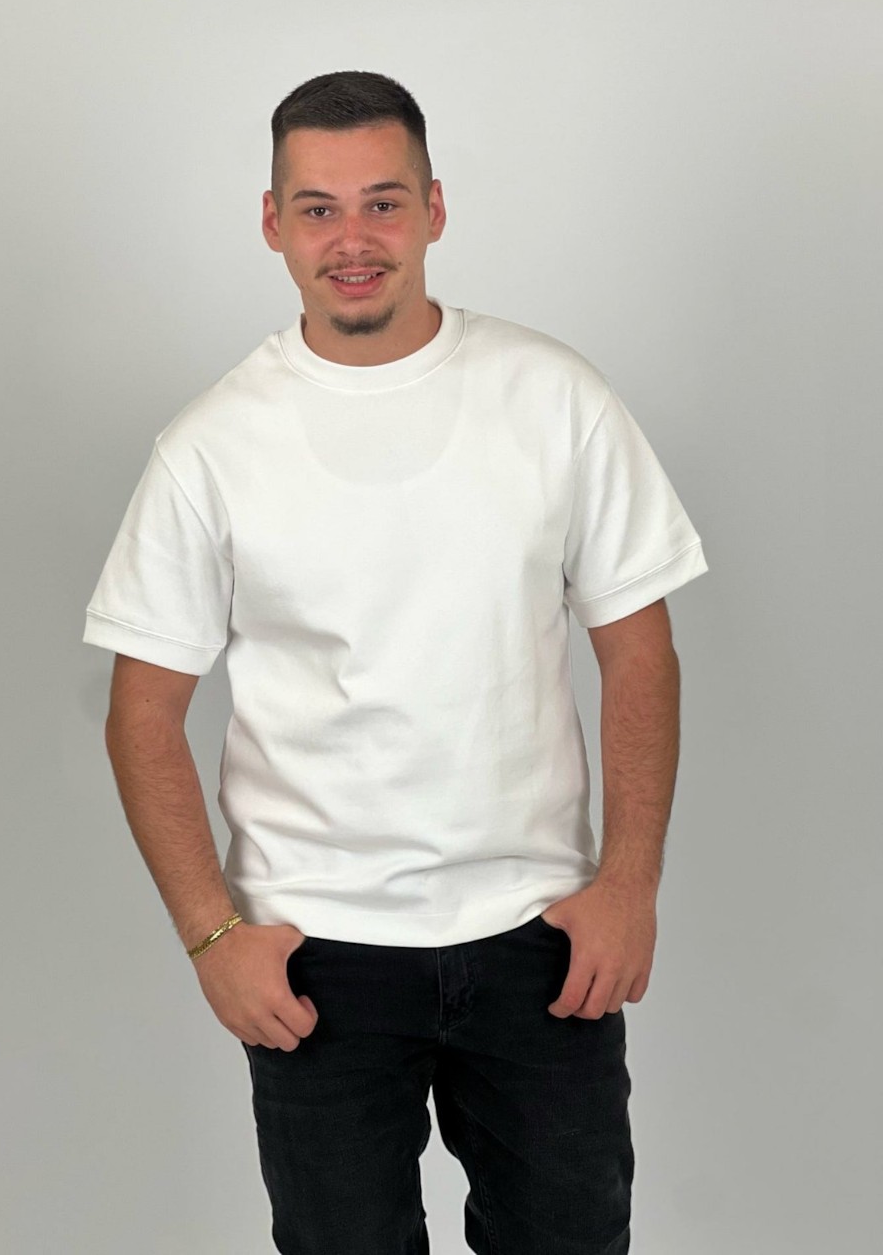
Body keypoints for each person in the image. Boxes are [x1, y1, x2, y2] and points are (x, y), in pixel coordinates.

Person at [83, 70, 709, 1255]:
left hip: (537, 937)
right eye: (317, 209)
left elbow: (639, 651)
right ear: (272, 223)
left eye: (382, 202)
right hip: (315, 956)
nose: (353, 239)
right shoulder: (211, 447)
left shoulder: (553, 398)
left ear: (434, 207)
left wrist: (628, 884)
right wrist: (214, 937)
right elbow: (142, 711)